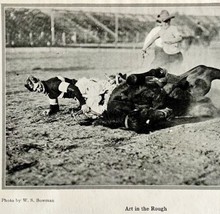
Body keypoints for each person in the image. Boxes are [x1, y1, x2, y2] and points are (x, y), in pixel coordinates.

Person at [24, 74, 124, 117]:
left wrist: (83, 104)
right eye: (36, 90)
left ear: (39, 81)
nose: (39, 89)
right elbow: (55, 107)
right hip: (81, 92)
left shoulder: (53, 84)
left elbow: (73, 88)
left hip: (82, 87)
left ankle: (116, 82)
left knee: (97, 110)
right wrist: (50, 111)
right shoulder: (49, 92)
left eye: (38, 86)